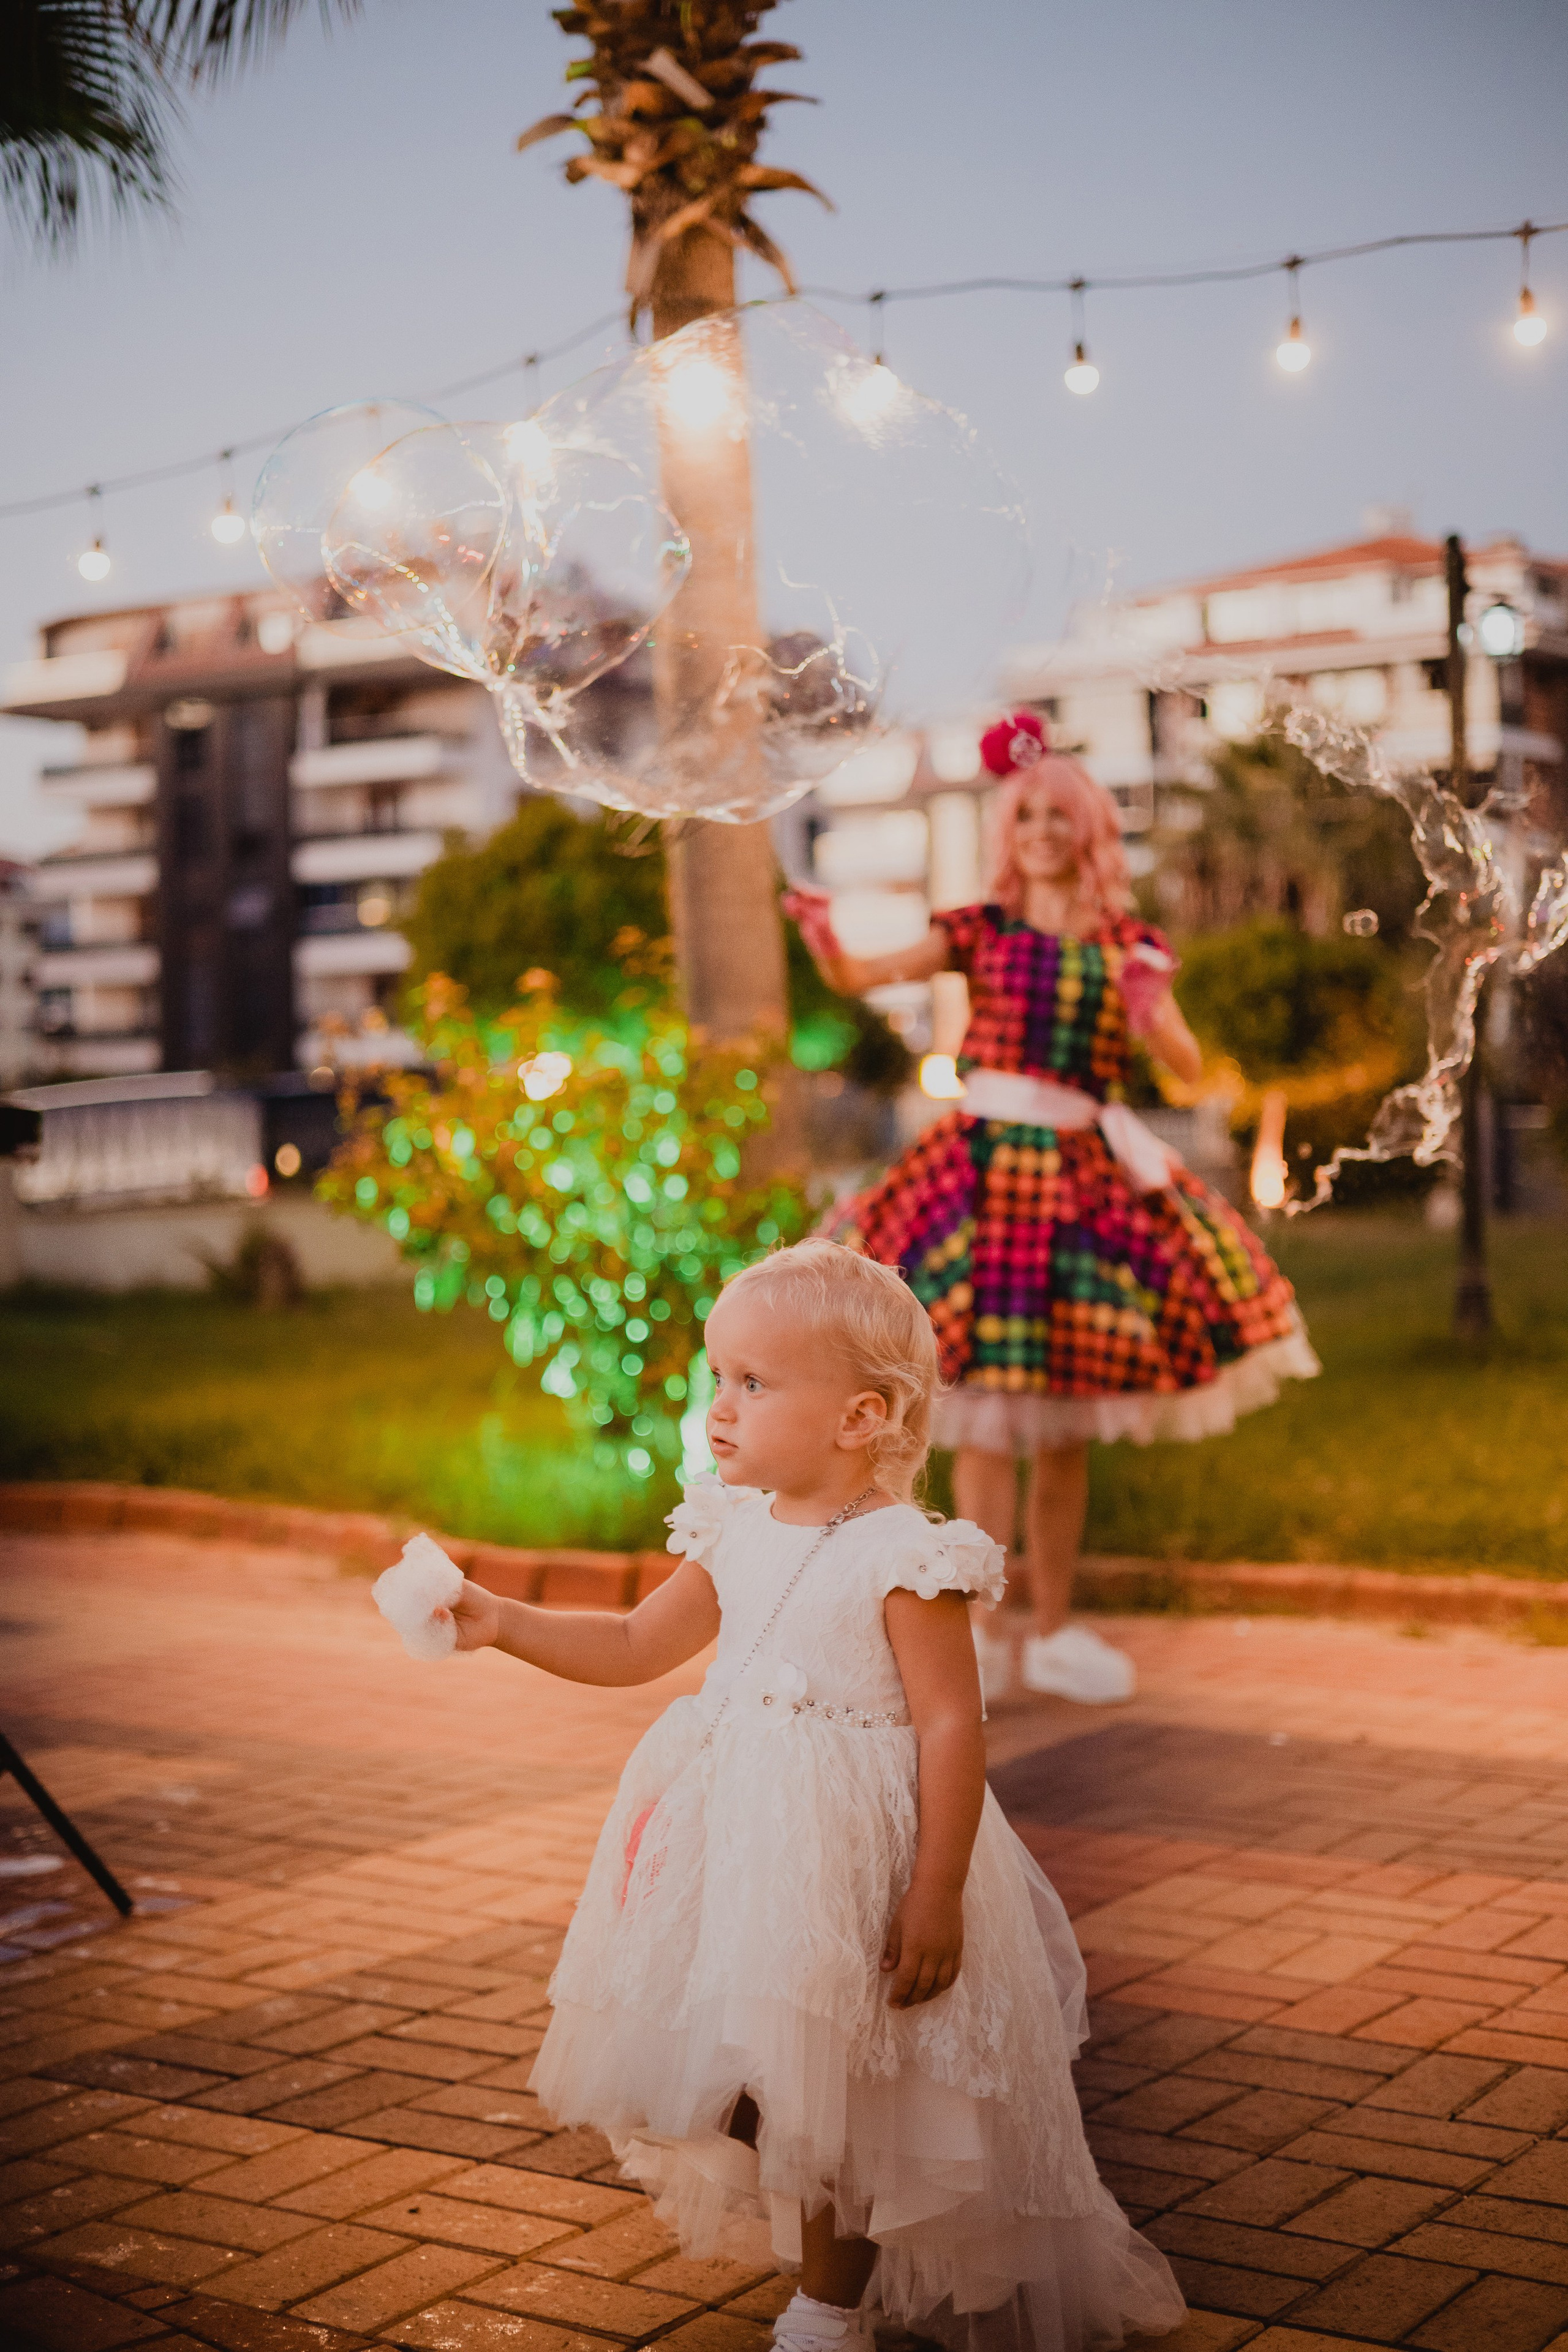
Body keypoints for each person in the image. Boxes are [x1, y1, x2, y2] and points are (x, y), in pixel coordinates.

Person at [437, 1238, 1185, 2351]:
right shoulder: (732, 1530)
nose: (719, 1409)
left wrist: (933, 1893)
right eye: (716, 1378)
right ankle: (824, 2253)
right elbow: (640, 1642)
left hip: (850, 1860)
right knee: (750, 2076)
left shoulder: (904, 1557)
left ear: (860, 1417)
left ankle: (829, 2308)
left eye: (752, 1383)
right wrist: (503, 1623)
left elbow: (949, 1726)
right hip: (738, 1850)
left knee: (840, 2092)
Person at [784, 713, 1318, 1706]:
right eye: (1023, 812)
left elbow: (1190, 1069)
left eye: (1056, 813)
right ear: (1007, 827)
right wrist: (827, 941)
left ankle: (1058, 1631)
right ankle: (983, 1638)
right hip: (980, 1179)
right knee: (985, 1425)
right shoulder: (976, 930)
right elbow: (864, 975)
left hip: (1079, 1184)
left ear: (1088, 828)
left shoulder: (1129, 946)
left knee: (1063, 1426)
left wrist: (1154, 1006)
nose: (1039, 828)